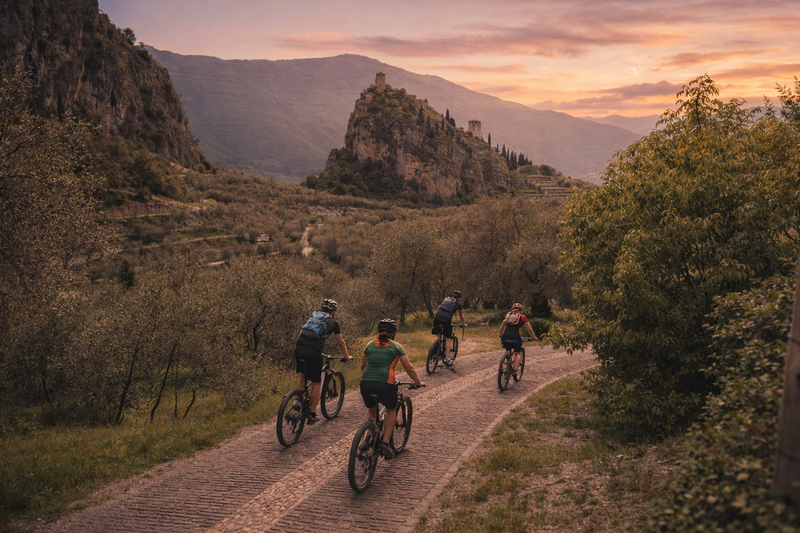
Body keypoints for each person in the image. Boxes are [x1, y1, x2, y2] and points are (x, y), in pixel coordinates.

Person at [360, 318, 425, 460]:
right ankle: (385, 443)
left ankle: (366, 438)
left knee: (371, 410)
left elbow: (363, 366)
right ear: (393, 333)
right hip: (385, 383)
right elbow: (409, 367)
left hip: (365, 383)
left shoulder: (369, 345)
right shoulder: (396, 346)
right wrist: (418, 382)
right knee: (390, 410)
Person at [294, 299, 352, 425]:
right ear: (334, 311)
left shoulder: (313, 316)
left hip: (299, 348)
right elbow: (340, 343)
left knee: (303, 375)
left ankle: (298, 400)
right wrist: (346, 356)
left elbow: (301, 333)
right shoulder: (333, 322)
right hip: (313, 352)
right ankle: (312, 414)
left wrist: (300, 347)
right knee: (316, 383)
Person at [499, 302, 537, 374]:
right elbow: (530, 329)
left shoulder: (507, 316)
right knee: (517, 353)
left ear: (512, 309)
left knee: (508, 351)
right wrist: (533, 337)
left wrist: (501, 334)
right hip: (516, 338)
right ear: (521, 310)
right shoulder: (522, 317)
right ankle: (515, 369)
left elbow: (503, 325)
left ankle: (506, 365)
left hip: (505, 337)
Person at [431, 290, 467, 365]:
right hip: (446, 320)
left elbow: (438, 308)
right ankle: (447, 357)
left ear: (452, 296)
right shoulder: (458, 304)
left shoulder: (445, 299)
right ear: (459, 298)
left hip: (437, 318)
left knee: (439, 335)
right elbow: (461, 316)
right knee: (448, 339)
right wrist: (463, 324)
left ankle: (436, 347)